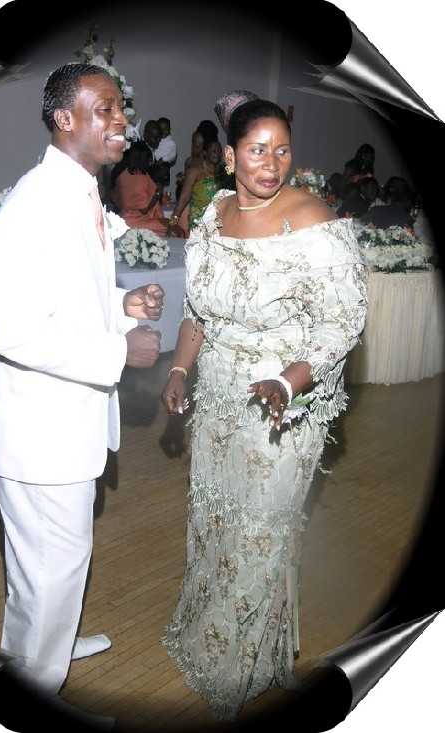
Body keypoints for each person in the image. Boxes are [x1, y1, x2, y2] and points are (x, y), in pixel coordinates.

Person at [160, 90, 367, 721]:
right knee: (216, 519)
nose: (271, 163)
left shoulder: (312, 218)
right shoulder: (213, 215)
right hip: (220, 397)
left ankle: (241, 664)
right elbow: (198, 306)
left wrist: (290, 378)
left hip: (283, 408)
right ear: (228, 157)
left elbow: (345, 319)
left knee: (260, 530)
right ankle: (208, 633)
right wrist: (178, 369)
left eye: (282, 150)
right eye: (257, 150)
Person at [0, 62, 164, 702]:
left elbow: (71, 301)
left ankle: (46, 643)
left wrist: (122, 307)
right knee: (51, 563)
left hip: (66, 426)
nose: (123, 121)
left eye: (122, 109)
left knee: (49, 565)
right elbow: (17, 333)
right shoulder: (36, 204)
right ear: (65, 119)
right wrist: (118, 352)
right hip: (44, 433)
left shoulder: (80, 193)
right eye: (106, 109)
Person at [166, 137, 228, 236]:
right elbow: (184, 198)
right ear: (205, 153)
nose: (217, 154)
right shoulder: (194, 172)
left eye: (219, 152)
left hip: (222, 221)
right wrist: (172, 223)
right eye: (213, 151)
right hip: (200, 223)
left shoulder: (226, 171)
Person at [111, 140, 169, 235]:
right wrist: (158, 193)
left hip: (122, 218)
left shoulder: (121, 175)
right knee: (169, 227)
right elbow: (145, 209)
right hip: (137, 221)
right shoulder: (143, 179)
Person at [155, 116, 178, 196]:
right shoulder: (156, 140)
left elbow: (172, 155)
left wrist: (163, 160)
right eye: (161, 129)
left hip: (163, 165)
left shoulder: (171, 143)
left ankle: (159, 197)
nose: (163, 131)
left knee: (159, 183)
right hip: (154, 164)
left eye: (166, 128)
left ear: (170, 129)